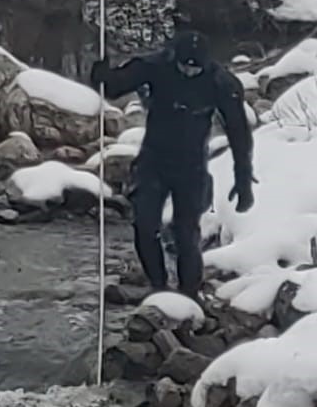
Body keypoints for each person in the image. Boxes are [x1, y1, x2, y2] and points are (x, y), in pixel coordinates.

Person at [89, 30, 256, 299]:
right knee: (144, 225)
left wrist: (243, 178)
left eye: (196, 69)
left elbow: (239, 133)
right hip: (153, 160)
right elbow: (115, 86)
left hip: (192, 167)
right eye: (184, 67)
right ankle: (158, 287)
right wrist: (102, 73)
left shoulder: (221, 82)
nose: (190, 72)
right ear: (175, 59)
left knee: (186, 233)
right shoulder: (156, 66)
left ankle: (189, 294)